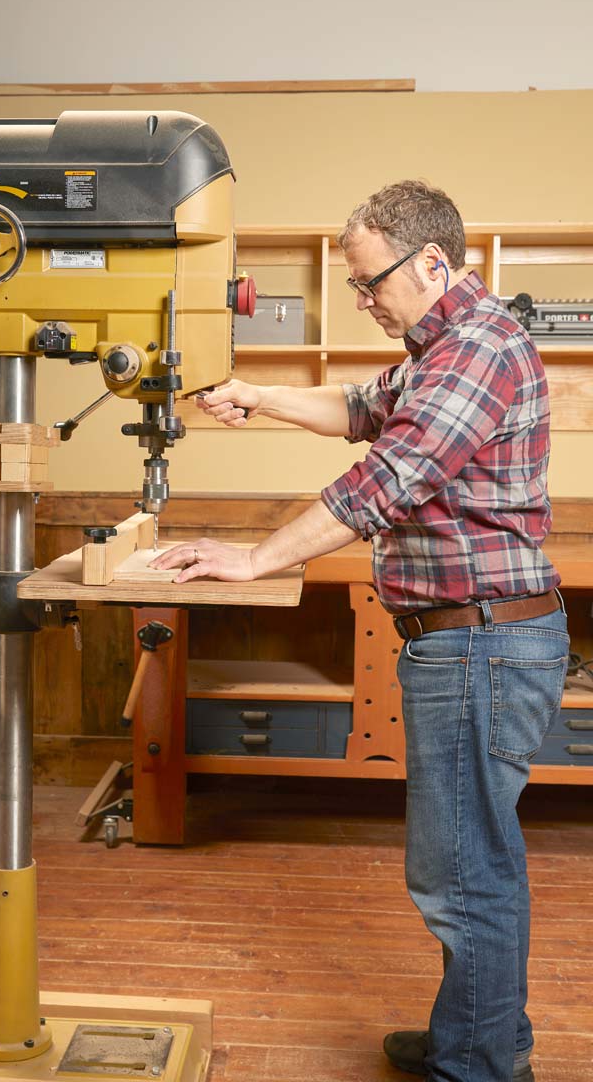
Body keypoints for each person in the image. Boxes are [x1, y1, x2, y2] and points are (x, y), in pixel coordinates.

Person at [151, 180, 569, 1082]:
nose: (364, 299)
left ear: (431, 262)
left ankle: (483, 1067)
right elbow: (355, 412)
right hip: (465, 641)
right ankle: (474, 1035)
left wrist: (258, 558)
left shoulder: (478, 347)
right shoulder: (434, 352)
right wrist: (254, 394)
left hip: (481, 644)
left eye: (370, 281)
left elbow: (386, 481)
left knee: (466, 877)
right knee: (465, 864)